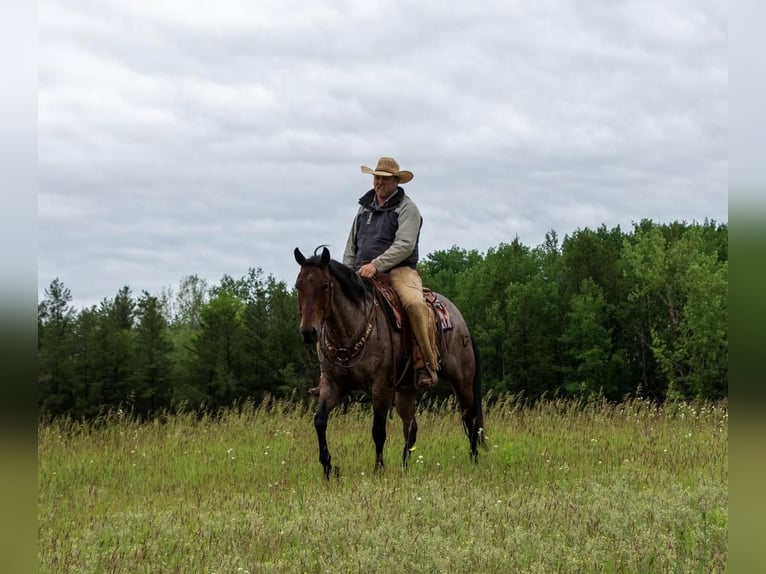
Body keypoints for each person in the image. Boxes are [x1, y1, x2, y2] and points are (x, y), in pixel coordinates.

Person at [342, 156, 440, 389]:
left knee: (415, 305)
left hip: (399, 271)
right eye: (377, 178)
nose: (379, 183)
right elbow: (351, 245)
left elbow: (404, 245)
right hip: (361, 271)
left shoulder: (408, 209)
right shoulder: (363, 208)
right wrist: (346, 273)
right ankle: (331, 370)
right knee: (332, 301)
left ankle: (424, 362)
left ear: (396, 181)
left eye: (385, 179)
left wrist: (376, 265)